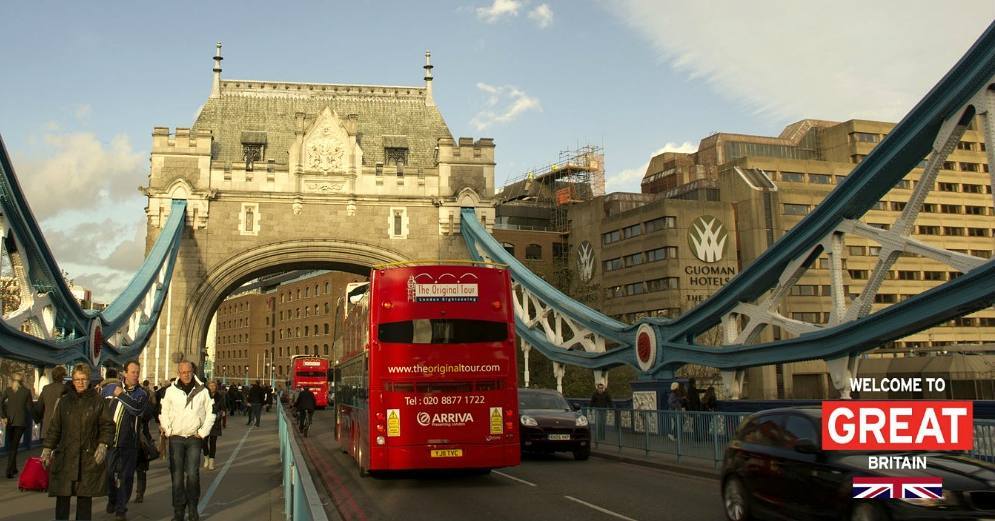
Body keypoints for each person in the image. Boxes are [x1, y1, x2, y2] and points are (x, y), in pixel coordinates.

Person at [40, 363, 114, 521]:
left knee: (84, 501)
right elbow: (55, 428)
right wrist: (47, 449)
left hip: (87, 458)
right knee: (62, 499)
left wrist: (103, 445)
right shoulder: (64, 402)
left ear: (89, 380)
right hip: (65, 457)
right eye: (77, 379)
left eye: (84, 379)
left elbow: (107, 426)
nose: (80, 382)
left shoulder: (98, 401)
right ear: (72, 380)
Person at [160, 361, 215, 521]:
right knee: (176, 476)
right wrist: (168, 430)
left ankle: (192, 509)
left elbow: (211, 413)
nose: (186, 374)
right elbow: (164, 411)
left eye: (189, 371)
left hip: (193, 438)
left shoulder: (203, 391)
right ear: (179, 373)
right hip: (176, 437)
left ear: (193, 372)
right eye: (183, 372)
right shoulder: (170, 391)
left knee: (192, 474)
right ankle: (178, 511)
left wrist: (203, 432)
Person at [103, 360, 150, 521]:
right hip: (110, 440)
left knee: (127, 476)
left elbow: (137, 409)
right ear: (124, 373)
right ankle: (112, 498)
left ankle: (121, 509)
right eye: (133, 372)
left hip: (130, 441)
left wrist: (121, 395)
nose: (136, 375)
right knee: (108, 473)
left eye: (138, 372)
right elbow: (100, 407)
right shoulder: (109, 389)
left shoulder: (142, 394)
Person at [2, 372, 34, 479]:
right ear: (23, 381)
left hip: (9, 422)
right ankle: (10, 471)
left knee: (12, 446)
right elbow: (30, 408)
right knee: (14, 447)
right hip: (21, 423)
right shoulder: (26, 392)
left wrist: (3, 416)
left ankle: (12, 468)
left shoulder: (8, 390)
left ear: (11, 380)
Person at [36, 366, 69, 439]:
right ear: (62, 377)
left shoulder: (46, 388)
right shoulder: (66, 389)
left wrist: (37, 419)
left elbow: (39, 407)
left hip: (47, 425)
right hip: (62, 427)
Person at [202, 380, 223, 471]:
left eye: (214, 386)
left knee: (213, 442)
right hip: (205, 421)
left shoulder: (220, 397)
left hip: (215, 422)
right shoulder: (204, 395)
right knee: (204, 442)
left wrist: (221, 413)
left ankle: (211, 462)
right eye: (211, 386)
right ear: (208, 387)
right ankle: (206, 457)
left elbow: (223, 407)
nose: (212, 387)